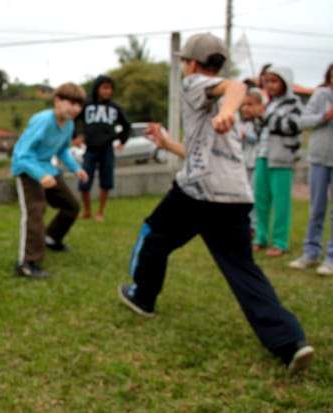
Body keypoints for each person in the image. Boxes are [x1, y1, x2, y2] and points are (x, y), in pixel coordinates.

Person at [117, 33, 313, 374]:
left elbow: (236, 87)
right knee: (242, 269)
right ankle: (290, 342)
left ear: (192, 63)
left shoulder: (196, 84)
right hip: (233, 194)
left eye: (183, 62)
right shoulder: (220, 105)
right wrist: (166, 142)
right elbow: (200, 151)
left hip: (197, 191)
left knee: (153, 235)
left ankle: (142, 296)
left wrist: (226, 109)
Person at [11, 83, 89, 278]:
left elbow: (62, 149)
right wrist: (40, 175)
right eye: (70, 102)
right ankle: (27, 263)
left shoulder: (69, 124)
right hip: (28, 170)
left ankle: (52, 238)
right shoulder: (43, 121)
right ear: (57, 101)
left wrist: (76, 168)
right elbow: (21, 154)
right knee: (35, 211)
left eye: (79, 104)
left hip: (47, 169)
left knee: (71, 206)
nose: (75, 108)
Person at [253, 66, 303, 257]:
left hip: (282, 158)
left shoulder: (295, 103)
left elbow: (292, 126)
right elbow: (261, 128)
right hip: (263, 154)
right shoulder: (270, 103)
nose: (270, 85)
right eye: (268, 81)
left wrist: (266, 117)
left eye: (275, 81)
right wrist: (259, 117)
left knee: (281, 202)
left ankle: (280, 242)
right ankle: (261, 237)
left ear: (285, 82)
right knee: (261, 199)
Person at [289, 64, 333, 274]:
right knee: (316, 208)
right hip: (319, 159)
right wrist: (324, 116)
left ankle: (331, 258)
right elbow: (302, 121)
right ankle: (311, 252)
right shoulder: (321, 95)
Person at [75, 75, 131, 222]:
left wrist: (122, 140)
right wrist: (75, 136)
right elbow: (73, 119)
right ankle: (87, 211)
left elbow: (127, 125)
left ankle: (100, 212)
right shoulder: (86, 106)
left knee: (106, 181)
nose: (108, 91)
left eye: (110, 88)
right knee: (84, 180)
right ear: (97, 88)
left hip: (107, 149)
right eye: (104, 88)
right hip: (90, 149)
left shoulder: (115, 108)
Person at [237, 86, 268, 232]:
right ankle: (243, 223)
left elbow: (258, 139)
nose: (245, 108)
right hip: (243, 163)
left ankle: (254, 225)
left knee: (254, 195)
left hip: (256, 163)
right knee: (243, 195)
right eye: (243, 104)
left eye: (250, 104)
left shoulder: (260, 122)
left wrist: (246, 135)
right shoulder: (241, 122)